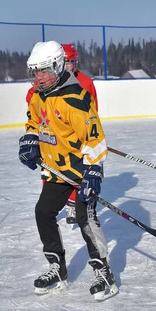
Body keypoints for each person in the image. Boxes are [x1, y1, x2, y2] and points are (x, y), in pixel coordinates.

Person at [19, 40, 117, 301]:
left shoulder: (75, 99)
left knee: (86, 217)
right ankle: (57, 267)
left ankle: (103, 270)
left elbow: (94, 139)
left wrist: (93, 172)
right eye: (35, 72)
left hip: (81, 169)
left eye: (44, 71)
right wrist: (30, 141)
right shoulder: (40, 97)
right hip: (56, 170)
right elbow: (33, 122)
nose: (38, 77)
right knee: (43, 212)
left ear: (59, 66)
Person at [25, 43, 99, 225]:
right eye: (65, 62)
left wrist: (85, 133)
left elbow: (91, 111)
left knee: (80, 170)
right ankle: (62, 202)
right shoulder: (41, 87)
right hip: (51, 137)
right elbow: (35, 108)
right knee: (51, 172)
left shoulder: (85, 82)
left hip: (75, 135)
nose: (68, 67)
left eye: (71, 62)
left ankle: (81, 206)